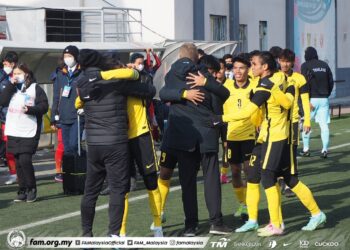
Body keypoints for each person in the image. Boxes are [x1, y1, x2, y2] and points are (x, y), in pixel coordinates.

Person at [216, 51, 326, 236]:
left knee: (271, 177)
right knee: (256, 174)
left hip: (277, 136)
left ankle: (277, 224)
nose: (250, 68)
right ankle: (254, 219)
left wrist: (219, 118)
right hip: (264, 136)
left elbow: (251, 110)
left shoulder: (268, 85)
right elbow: (286, 98)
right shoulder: (274, 78)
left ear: (264, 67)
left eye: (253, 64)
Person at [77, 49, 156, 237]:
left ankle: (86, 235)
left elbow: (77, 103)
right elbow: (149, 90)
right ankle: (114, 236)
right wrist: (135, 75)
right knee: (118, 191)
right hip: (116, 142)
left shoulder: (81, 83)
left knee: (90, 191)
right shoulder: (118, 81)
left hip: (94, 143)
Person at [159, 43, 231, 236]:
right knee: (211, 180)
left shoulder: (171, 75)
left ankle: (191, 226)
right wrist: (205, 83)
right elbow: (224, 93)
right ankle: (216, 222)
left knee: (188, 183)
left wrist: (182, 94)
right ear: (197, 58)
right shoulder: (202, 75)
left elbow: (162, 94)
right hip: (206, 133)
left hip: (183, 136)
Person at [96, 52, 163, 237]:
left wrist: (129, 79)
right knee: (121, 187)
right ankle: (121, 232)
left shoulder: (138, 78)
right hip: (119, 139)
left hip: (141, 134)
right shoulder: (105, 83)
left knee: (150, 181)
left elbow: (149, 90)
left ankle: (158, 225)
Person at [0, 63, 48, 202]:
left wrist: (30, 109)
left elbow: (44, 106)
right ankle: (22, 189)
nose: (16, 76)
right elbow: (2, 101)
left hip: (29, 129)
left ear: (26, 74)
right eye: (14, 74)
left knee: (25, 160)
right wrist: (10, 84)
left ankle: (32, 188)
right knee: (17, 161)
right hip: (14, 128)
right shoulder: (12, 88)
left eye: (19, 73)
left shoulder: (35, 88)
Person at [222, 55, 258, 220]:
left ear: (247, 70)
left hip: (249, 136)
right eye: (235, 68)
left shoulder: (255, 87)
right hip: (231, 136)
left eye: (241, 68)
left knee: (249, 172)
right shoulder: (227, 86)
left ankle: (251, 207)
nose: (237, 71)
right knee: (235, 173)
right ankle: (243, 204)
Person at [277, 48, 311, 197]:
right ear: (278, 60)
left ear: (292, 63)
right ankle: (280, 179)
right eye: (282, 61)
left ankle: (291, 182)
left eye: (288, 61)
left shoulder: (299, 78)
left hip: (293, 122)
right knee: (277, 152)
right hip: (276, 123)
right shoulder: (274, 77)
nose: (285, 64)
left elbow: (305, 100)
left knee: (292, 152)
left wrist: (308, 121)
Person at [301, 46, 334, 158]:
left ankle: (306, 149)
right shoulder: (325, 65)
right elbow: (331, 81)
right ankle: (324, 149)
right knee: (324, 125)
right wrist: (327, 94)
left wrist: (307, 99)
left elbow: (304, 83)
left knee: (306, 123)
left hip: (311, 100)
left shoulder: (305, 65)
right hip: (324, 99)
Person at [51, 45, 82, 157]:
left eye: (70, 56)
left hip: (77, 115)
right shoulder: (60, 74)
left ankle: (83, 166)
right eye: (65, 56)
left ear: (76, 57)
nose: (67, 58)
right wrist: (53, 116)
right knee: (67, 148)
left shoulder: (82, 72)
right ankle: (69, 173)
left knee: (74, 145)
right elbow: (56, 97)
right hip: (63, 116)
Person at [0, 51, 18, 185]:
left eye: (7, 63)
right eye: (4, 63)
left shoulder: (20, 75)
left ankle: (18, 173)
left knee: (15, 148)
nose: (4, 65)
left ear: (13, 64)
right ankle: (13, 173)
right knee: (7, 149)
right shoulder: (1, 75)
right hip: (3, 118)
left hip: (16, 118)